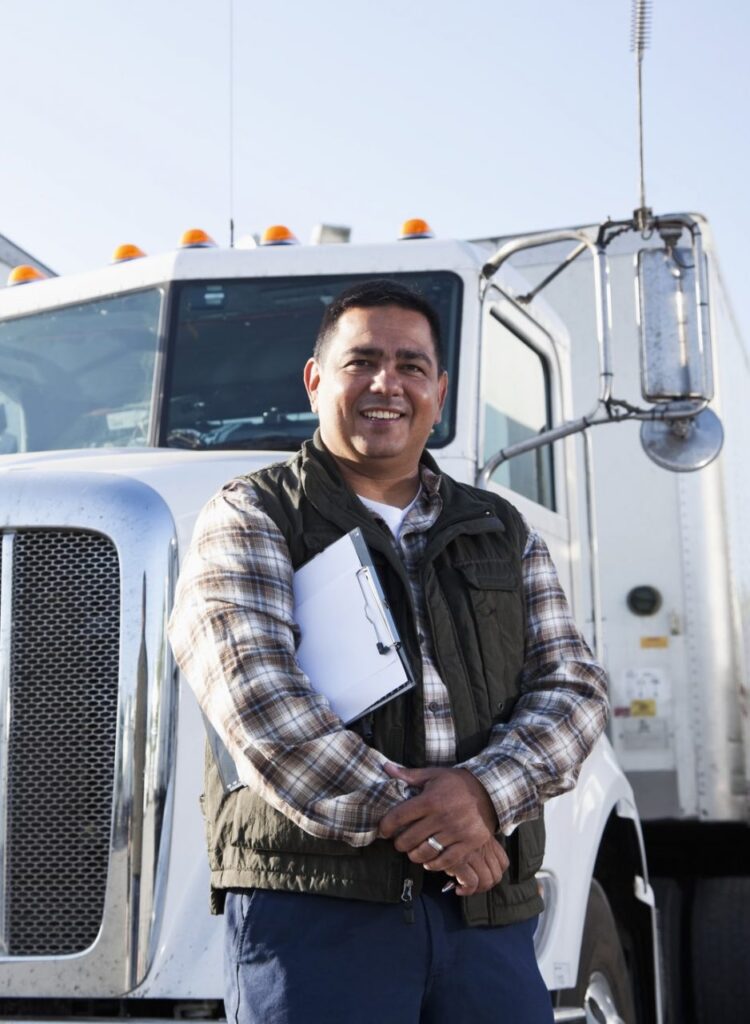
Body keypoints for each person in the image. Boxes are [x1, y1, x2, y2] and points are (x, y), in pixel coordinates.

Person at [168, 279, 609, 1024]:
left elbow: (574, 688)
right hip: (317, 914)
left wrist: (481, 796)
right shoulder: (252, 513)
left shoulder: (503, 529)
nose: (386, 384)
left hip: (483, 911)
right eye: (362, 362)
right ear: (315, 381)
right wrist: (441, 826)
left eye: (410, 366)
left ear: (439, 392)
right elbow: (258, 703)